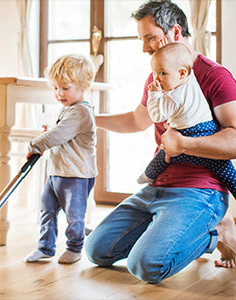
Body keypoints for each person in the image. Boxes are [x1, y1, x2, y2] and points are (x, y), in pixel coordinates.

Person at [85, 0, 236, 284]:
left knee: (145, 265)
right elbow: (136, 120)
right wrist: (90, 119)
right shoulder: (158, 76)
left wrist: (185, 145)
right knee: (96, 251)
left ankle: (216, 231)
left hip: (199, 190)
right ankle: (173, 228)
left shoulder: (215, 77)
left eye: (149, 38)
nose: (144, 48)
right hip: (156, 187)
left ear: (175, 32)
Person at [137, 42, 236, 201]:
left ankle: (147, 176)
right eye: (154, 73)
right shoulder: (191, 79)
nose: (156, 79)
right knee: (227, 172)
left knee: (163, 156)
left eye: (162, 73)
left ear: (182, 73)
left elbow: (156, 115)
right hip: (207, 129)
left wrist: (154, 95)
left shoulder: (173, 97)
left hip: (187, 133)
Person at [24, 54, 97, 264]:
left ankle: (75, 248)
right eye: (55, 88)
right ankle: (45, 247)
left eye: (65, 88)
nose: (59, 93)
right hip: (57, 171)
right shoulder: (68, 109)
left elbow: (58, 135)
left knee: (74, 215)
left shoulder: (81, 112)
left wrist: (35, 144)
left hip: (76, 174)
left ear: (83, 86)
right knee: (46, 208)